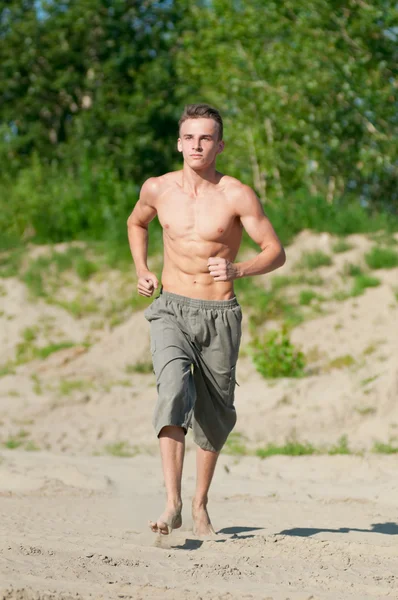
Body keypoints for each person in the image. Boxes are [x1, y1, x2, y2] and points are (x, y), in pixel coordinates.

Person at [127, 103, 286, 537]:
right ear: (179, 143)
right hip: (171, 308)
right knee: (173, 389)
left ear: (220, 145)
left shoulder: (236, 194)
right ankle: (172, 502)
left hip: (220, 314)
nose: (197, 145)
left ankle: (200, 504)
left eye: (206, 138)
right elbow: (136, 222)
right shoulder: (158, 189)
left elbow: (275, 250)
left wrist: (239, 269)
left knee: (215, 415)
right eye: (189, 137)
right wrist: (142, 269)